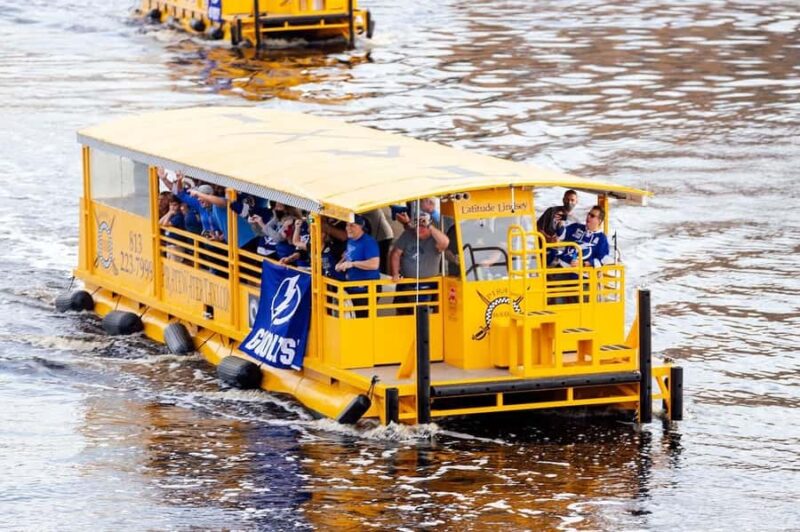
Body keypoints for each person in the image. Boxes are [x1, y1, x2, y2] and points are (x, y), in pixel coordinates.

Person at [390, 212, 449, 314]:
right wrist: (395, 273)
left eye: (422, 227)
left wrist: (429, 226)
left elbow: (445, 243)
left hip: (428, 284)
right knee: (401, 312)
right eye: (417, 226)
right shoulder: (408, 234)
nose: (418, 229)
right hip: (407, 282)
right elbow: (396, 254)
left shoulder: (435, 238)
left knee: (423, 315)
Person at [335, 215, 380, 318]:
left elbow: (374, 264)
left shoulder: (369, 242)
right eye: (347, 225)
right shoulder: (351, 240)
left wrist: (353, 264)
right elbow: (348, 254)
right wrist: (340, 263)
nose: (348, 228)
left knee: (362, 320)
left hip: (366, 290)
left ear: (361, 227)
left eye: (352, 226)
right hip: (352, 287)